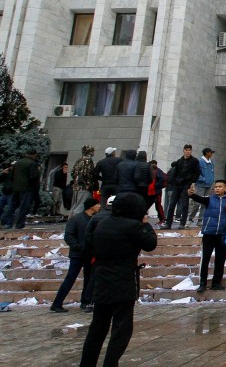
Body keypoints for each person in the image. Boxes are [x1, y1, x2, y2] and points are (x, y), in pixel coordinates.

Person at [79, 192, 157, 367]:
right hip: (122, 280)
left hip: (101, 278)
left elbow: (89, 245)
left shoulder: (102, 223)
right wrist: (146, 224)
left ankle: (87, 363)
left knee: (97, 328)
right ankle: (110, 363)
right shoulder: (133, 226)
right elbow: (150, 243)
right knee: (121, 329)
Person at [50, 196, 101, 312]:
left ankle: (86, 302)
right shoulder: (76, 219)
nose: (99, 206)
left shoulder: (94, 219)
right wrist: (79, 247)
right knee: (70, 278)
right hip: (78, 255)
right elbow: (68, 236)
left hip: (90, 254)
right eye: (97, 204)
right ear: (92, 206)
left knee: (89, 279)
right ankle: (57, 303)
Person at [188, 179, 226, 293]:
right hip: (209, 233)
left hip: (222, 234)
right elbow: (198, 198)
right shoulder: (209, 199)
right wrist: (191, 194)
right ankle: (202, 283)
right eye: (216, 187)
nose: (217, 188)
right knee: (205, 259)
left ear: (225, 189)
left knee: (220, 259)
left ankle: (216, 283)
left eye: (220, 187)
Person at [162, 144, 200, 230]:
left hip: (186, 184)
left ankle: (182, 223)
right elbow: (175, 172)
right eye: (186, 150)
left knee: (184, 204)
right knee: (172, 204)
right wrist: (174, 181)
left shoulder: (194, 161)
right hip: (177, 185)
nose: (188, 152)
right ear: (183, 151)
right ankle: (168, 223)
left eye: (189, 150)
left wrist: (193, 182)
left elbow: (197, 172)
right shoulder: (179, 161)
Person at [4, 149, 40, 229]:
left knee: (12, 206)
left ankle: (6, 222)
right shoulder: (33, 164)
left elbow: (11, 175)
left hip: (16, 188)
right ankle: (19, 224)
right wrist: (35, 189)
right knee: (24, 206)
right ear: (33, 155)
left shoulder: (18, 163)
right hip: (27, 189)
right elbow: (33, 177)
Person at [186, 147, 216, 226]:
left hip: (208, 185)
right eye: (210, 152)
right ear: (206, 153)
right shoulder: (200, 162)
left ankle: (200, 220)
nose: (211, 154)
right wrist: (203, 179)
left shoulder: (211, 162)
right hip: (201, 185)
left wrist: (212, 180)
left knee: (205, 203)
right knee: (197, 202)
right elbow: (196, 173)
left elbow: (212, 172)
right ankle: (190, 218)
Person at [69, 146, 99, 215]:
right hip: (84, 187)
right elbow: (87, 174)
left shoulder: (79, 160)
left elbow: (73, 173)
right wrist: (89, 183)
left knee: (74, 206)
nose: (93, 153)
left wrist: (76, 181)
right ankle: (77, 223)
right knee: (81, 206)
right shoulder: (88, 160)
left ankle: (70, 222)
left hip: (76, 187)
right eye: (92, 151)